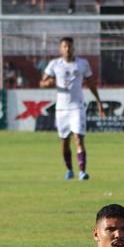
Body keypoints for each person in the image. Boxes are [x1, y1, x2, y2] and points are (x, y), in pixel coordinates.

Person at [41, 37, 105, 181]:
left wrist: (99, 101)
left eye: (70, 46)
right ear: (60, 49)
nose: (67, 49)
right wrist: (48, 83)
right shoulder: (54, 64)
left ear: (74, 48)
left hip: (77, 107)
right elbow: (42, 82)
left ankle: (82, 171)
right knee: (65, 141)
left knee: (78, 138)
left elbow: (90, 83)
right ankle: (69, 170)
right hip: (62, 109)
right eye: (64, 46)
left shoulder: (82, 64)